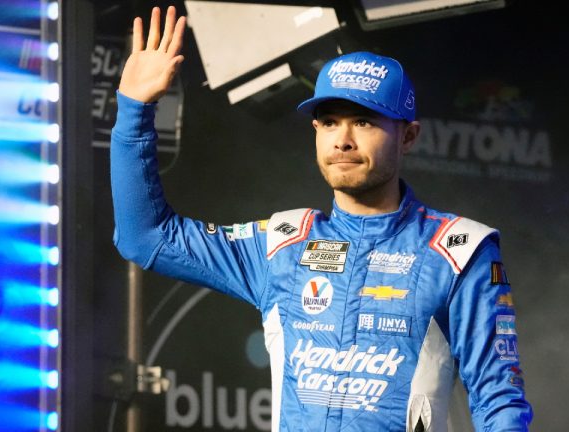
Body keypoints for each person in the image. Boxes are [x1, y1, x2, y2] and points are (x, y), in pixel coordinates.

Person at [111, 6, 533, 432]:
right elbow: (146, 238)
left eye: (364, 121)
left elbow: (498, 401)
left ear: (408, 135)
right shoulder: (282, 245)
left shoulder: (459, 251)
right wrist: (133, 110)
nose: (343, 140)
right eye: (329, 122)